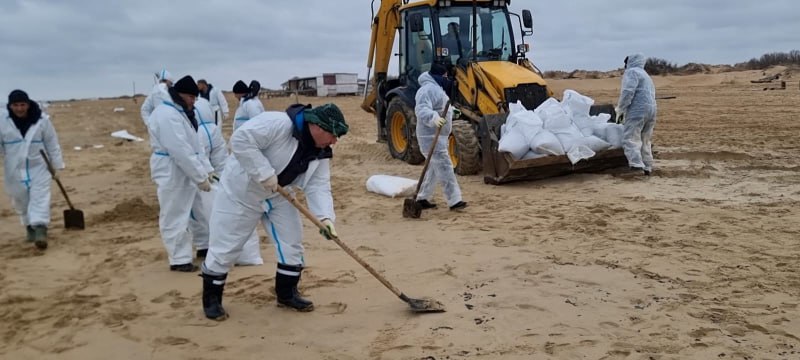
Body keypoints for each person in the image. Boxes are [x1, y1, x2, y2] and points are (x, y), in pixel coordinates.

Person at [200, 103, 349, 320]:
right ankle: (211, 299)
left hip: (280, 195)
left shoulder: (321, 152)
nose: (335, 141)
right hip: (242, 193)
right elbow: (240, 140)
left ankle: (287, 294)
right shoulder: (276, 124)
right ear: (316, 126)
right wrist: (264, 172)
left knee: (292, 242)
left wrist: (325, 218)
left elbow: (318, 186)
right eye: (333, 134)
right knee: (226, 246)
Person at [148, 75, 213, 272]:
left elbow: (195, 144)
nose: (194, 101)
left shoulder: (180, 112)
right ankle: (179, 258)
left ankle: (204, 246)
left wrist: (206, 170)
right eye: (192, 98)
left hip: (185, 168)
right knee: (175, 212)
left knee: (197, 209)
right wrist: (199, 176)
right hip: (171, 170)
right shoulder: (166, 115)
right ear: (182, 94)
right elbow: (180, 150)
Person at [190, 96, 263, 266]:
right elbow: (219, 158)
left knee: (203, 208)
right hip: (212, 167)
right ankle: (213, 248)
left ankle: (206, 246)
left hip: (205, 172)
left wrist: (209, 174)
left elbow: (201, 155)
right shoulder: (213, 128)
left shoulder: (199, 130)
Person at [0, 90, 64, 250]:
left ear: (28, 104)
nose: (20, 109)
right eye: (16, 105)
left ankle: (41, 230)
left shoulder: (42, 120)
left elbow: (52, 143)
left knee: (40, 197)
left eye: (23, 105)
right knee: (20, 199)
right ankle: (29, 227)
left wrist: (56, 166)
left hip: (39, 166)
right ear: (10, 106)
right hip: (13, 168)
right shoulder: (2, 121)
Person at [414, 63, 466, 211]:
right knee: (445, 167)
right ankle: (455, 200)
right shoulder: (427, 90)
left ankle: (422, 197)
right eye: (444, 76)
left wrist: (452, 111)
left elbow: (442, 106)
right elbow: (422, 109)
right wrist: (434, 118)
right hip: (429, 136)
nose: (446, 79)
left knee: (433, 168)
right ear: (438, 76)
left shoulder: (438, 89)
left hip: (439, 136)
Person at [615, 53, 657, 175]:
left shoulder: (632, 73)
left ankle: (636, 167)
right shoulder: (646, 75)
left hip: (637, 110)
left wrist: (621, 109)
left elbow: (628, 92)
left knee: (630, 138)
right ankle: (647, 166)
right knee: (645, 139)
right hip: (652, 110)